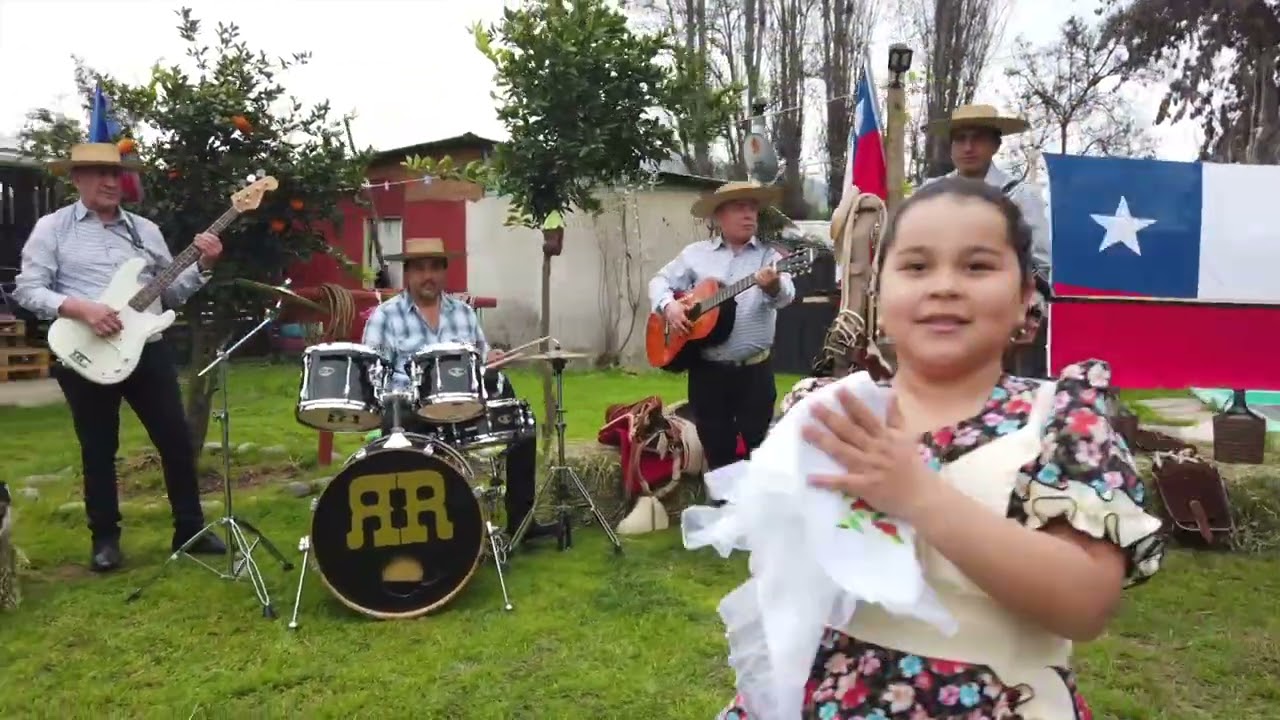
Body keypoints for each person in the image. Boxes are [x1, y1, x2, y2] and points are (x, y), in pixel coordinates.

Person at [715, 178, 1165, 719]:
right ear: (880, 296)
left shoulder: (1062, 420)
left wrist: (920, 497)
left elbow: (1085, 605)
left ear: (1027, 298)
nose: (944, 286)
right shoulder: (826, 412)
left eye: (976, 266)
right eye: (917, 266)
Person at [12, 143, 227, 572]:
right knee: (98, 448)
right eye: (97, 173)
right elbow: (27, 288)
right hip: (84, 350)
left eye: (116, 173)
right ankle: (105, 540)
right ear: (76, 178)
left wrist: (203, 265)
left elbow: (171, 291)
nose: (110, 182)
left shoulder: (144, 231)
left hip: (146, 348)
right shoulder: (52, 229)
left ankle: (191, 528)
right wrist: (82, 309)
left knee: (176, 440)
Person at [361, 237, 559, 543]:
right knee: (397, 420)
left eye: (435, 268)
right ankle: (413, 529)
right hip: (412, 411)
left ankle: (522, 524)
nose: (428, 276)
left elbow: (480, 359)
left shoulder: (463, 313)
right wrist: (409, 392)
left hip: (464, 405)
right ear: (408, 274)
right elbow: (373, 377)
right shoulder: (385, 317)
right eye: (420, 268)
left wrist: (491, 360)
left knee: (522, 424)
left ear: (444, 271)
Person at [648, 180, 797, 472]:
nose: (749, 215)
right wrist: (671, 306)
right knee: (717, 455)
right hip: (708, 375)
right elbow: (659, 282)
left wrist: (773, 286)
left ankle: (751, 513)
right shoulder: (695, 254)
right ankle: (721, 511)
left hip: (754, 374)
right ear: (719, 216)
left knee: (756, 454)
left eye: (753, 208)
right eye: (740, 208)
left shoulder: (771, 257)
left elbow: (786, 296)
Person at [926, 104, 1052, 378]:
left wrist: (1033, 311)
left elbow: (1040, 263)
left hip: (1001, 320)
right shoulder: (930, 195)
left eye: (978, 138)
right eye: (960, 139)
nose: (968, 147)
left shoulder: (1020, 196)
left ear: (995, 144)